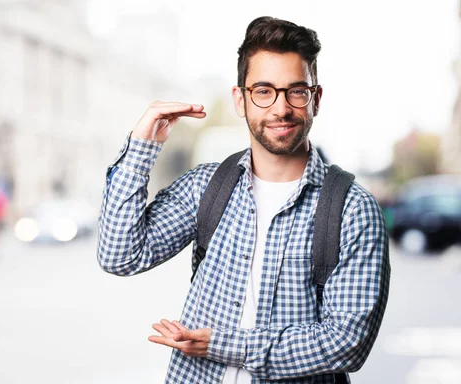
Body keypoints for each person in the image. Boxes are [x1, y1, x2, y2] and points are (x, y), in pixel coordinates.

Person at [97, 16, 390, 384]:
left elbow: (346, 343)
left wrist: (222, 344)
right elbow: (119, 255)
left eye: (296, 91)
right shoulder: (208, 186)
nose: (280, 109)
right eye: (264, 91)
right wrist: (142, 146)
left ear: (315, 99)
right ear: (241, 99)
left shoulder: (352, 209)